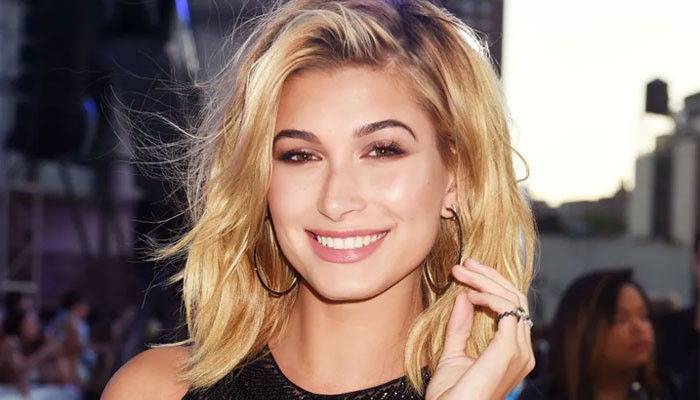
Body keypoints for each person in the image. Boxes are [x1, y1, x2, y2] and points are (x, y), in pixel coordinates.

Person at [102, 0, 537, 398]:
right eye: (301, 155)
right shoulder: (153, 390)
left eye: (382, 151)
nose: (335, 200)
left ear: (455, 179)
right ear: (260, 181)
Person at [519, 269, 678, 400]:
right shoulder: (541, 396)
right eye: (621, 319)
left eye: (644, 316)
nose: (640, 328)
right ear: (583, 330)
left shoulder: (666, 392)